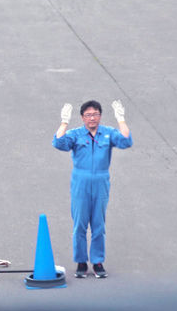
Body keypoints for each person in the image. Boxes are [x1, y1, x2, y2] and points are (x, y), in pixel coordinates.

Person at [53, 100, 132, 278]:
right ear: (82, 117)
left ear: (100, 116)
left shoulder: (108, 133)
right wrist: (64, 122)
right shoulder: (76, 134)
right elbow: (58, 143)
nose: (92, 118)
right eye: (88, 115)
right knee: (80, 223)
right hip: (80, 181)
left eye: (95, 114)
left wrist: (121, 119)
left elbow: (126, 141)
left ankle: (97, 261)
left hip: (101, 181)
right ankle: (81, 262)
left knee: (98, 224)